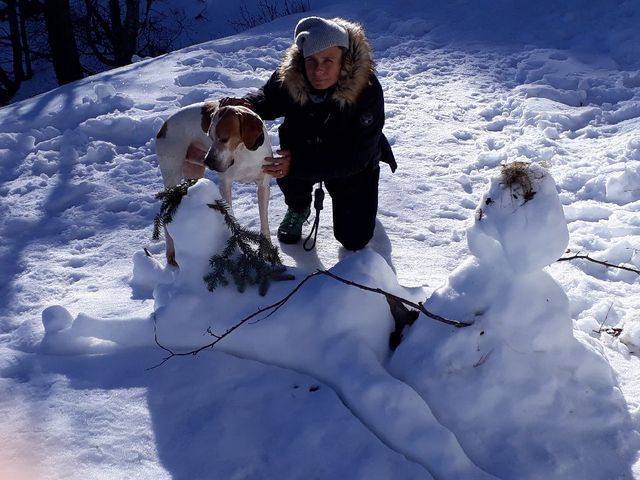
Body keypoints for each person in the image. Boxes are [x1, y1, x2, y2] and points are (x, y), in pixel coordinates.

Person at [221, 16, 396, 250]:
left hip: (351, 162)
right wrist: (247, 105)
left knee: (354, 239)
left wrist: (298, 165)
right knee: (283, 164)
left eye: (328, 61)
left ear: (344, 61)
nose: (318, 70)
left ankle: (358, 204)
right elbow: (269, 100)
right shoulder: (290, 76)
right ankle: (298, 205)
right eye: (311, 61)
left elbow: (358, 157)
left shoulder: (367, 90)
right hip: (302, 148)